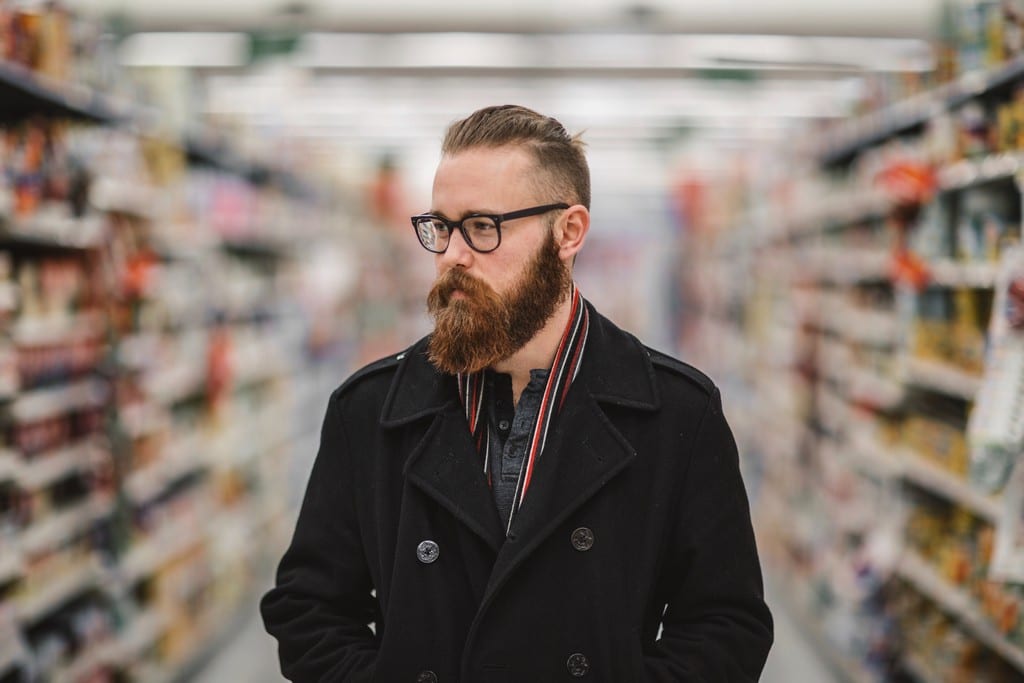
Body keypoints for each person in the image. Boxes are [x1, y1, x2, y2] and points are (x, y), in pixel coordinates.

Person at [261, 104, 773, 682]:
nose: (452, 254)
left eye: (482, 227)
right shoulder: (370, 410)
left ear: (568, 233)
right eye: (441, 226)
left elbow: (725, 627)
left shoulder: (678, 414)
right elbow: (308, 611)